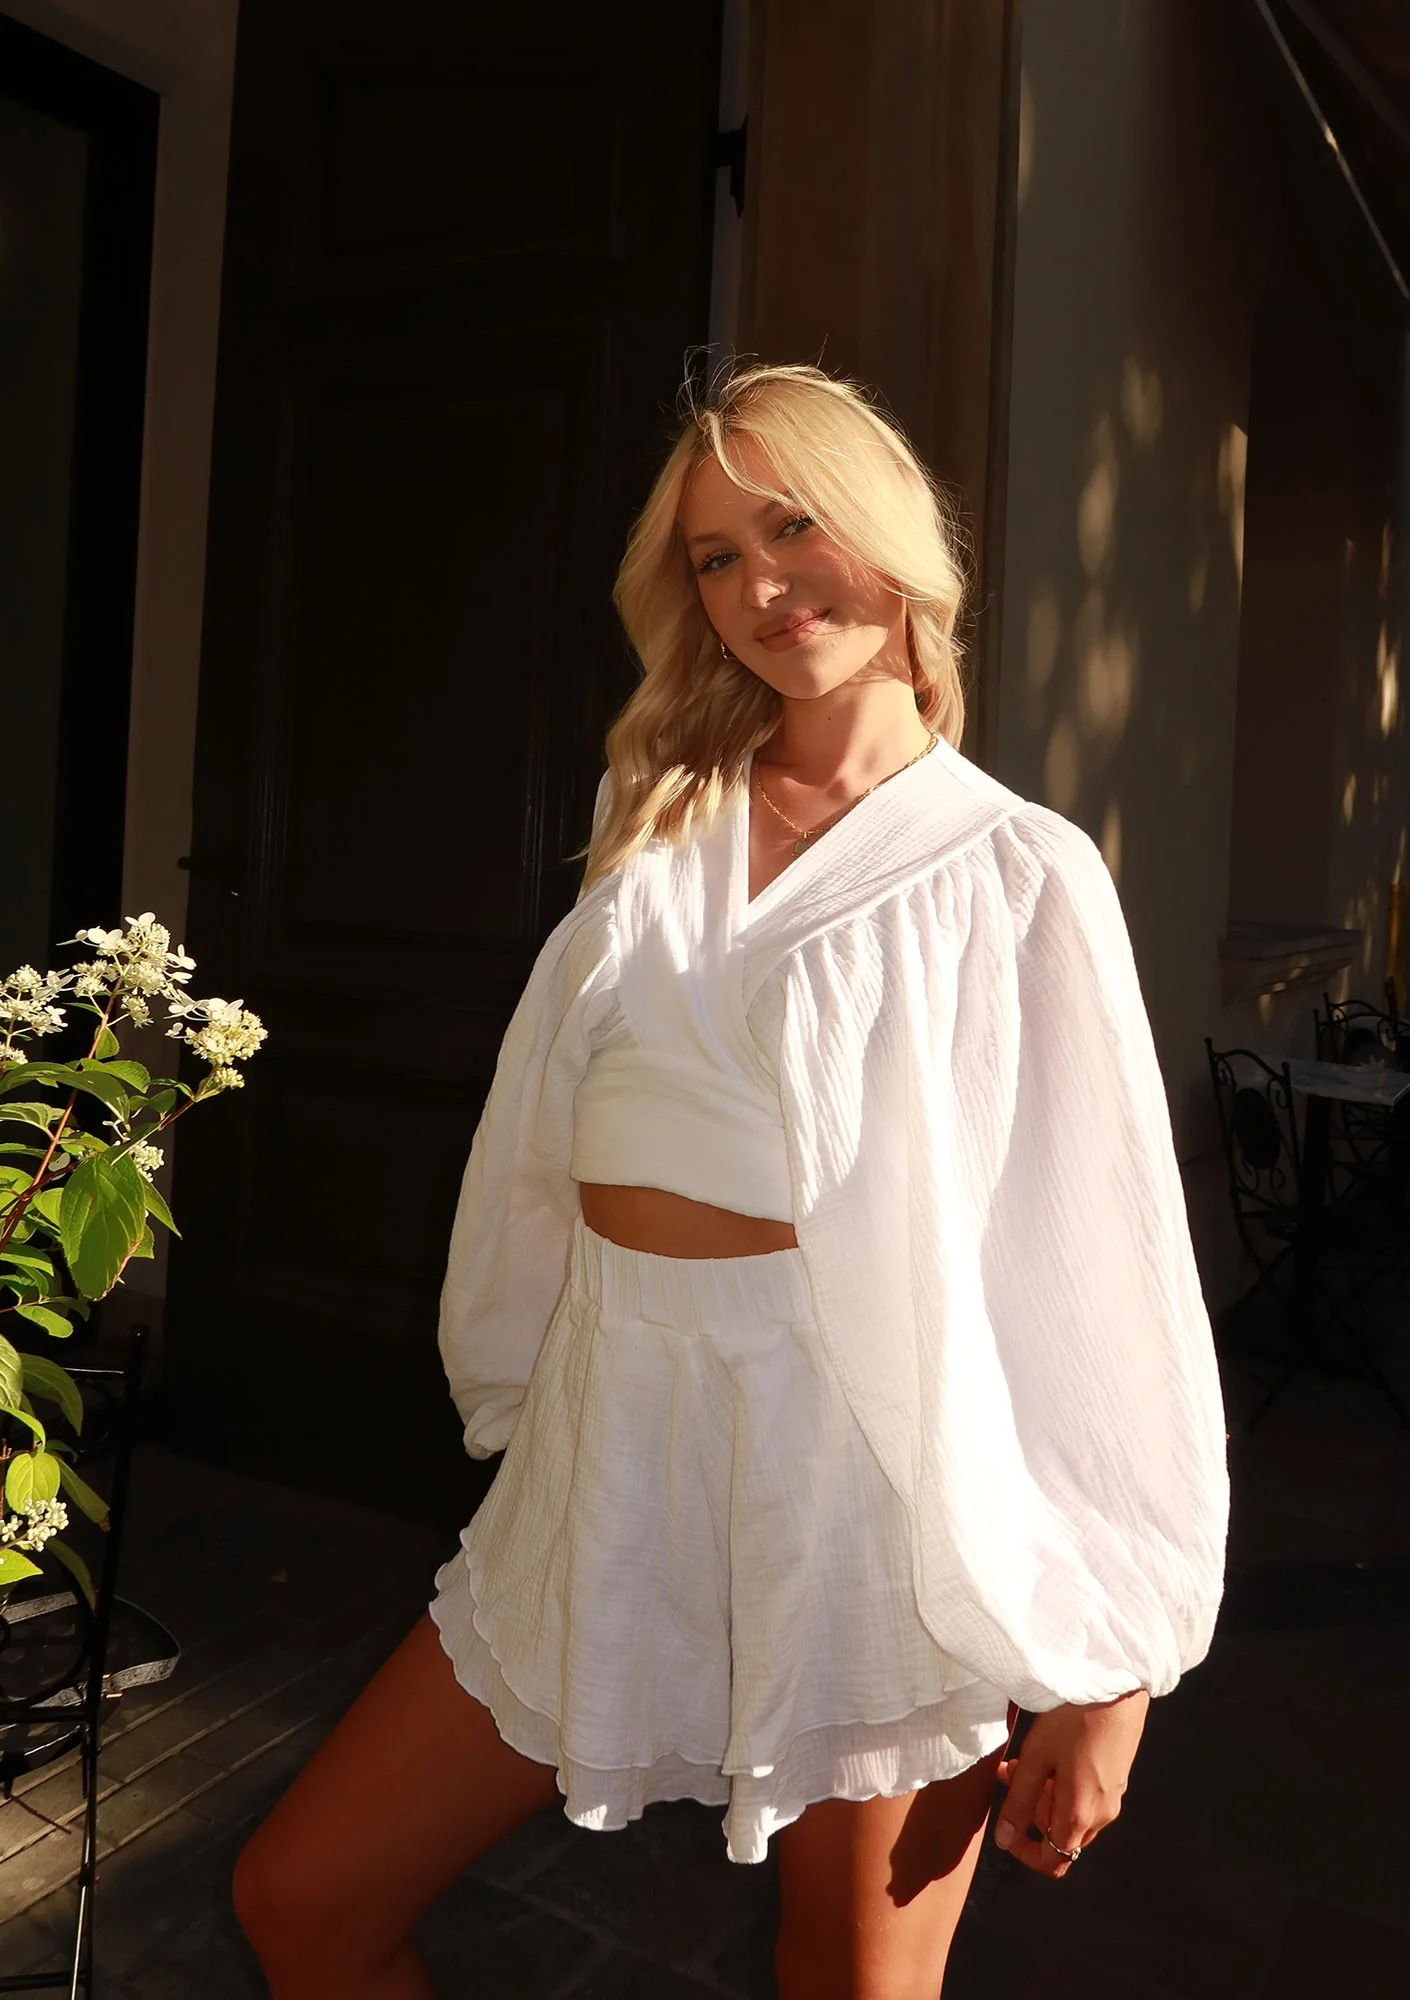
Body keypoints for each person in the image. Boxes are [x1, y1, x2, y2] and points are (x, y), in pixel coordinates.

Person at [233, 362, 1230, 1999]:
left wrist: (1109, 1673)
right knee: (304, 1899)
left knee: (850, 1982)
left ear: (890, 535)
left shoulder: (1013, 870)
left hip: (864, 1486)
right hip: (609, 1440)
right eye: (716, 556)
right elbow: (547, 1125)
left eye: (793, 527)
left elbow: (1097, 1269)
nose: (762, 584)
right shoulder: (658, 815)